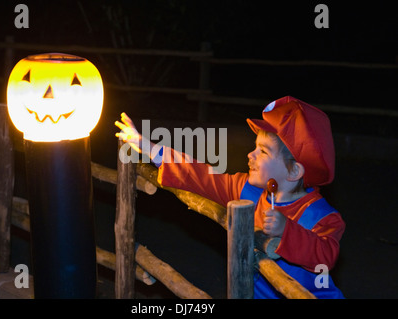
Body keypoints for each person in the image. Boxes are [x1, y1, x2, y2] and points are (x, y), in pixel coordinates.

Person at [115, 96, 345, 299]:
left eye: (263, 151)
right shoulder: (247, 190)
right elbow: (202, 176)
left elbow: (326, 256)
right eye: (255, 147)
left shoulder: (322, 217)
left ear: (294, 171)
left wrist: (287, 230)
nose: (250, 155)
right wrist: (147, 147)